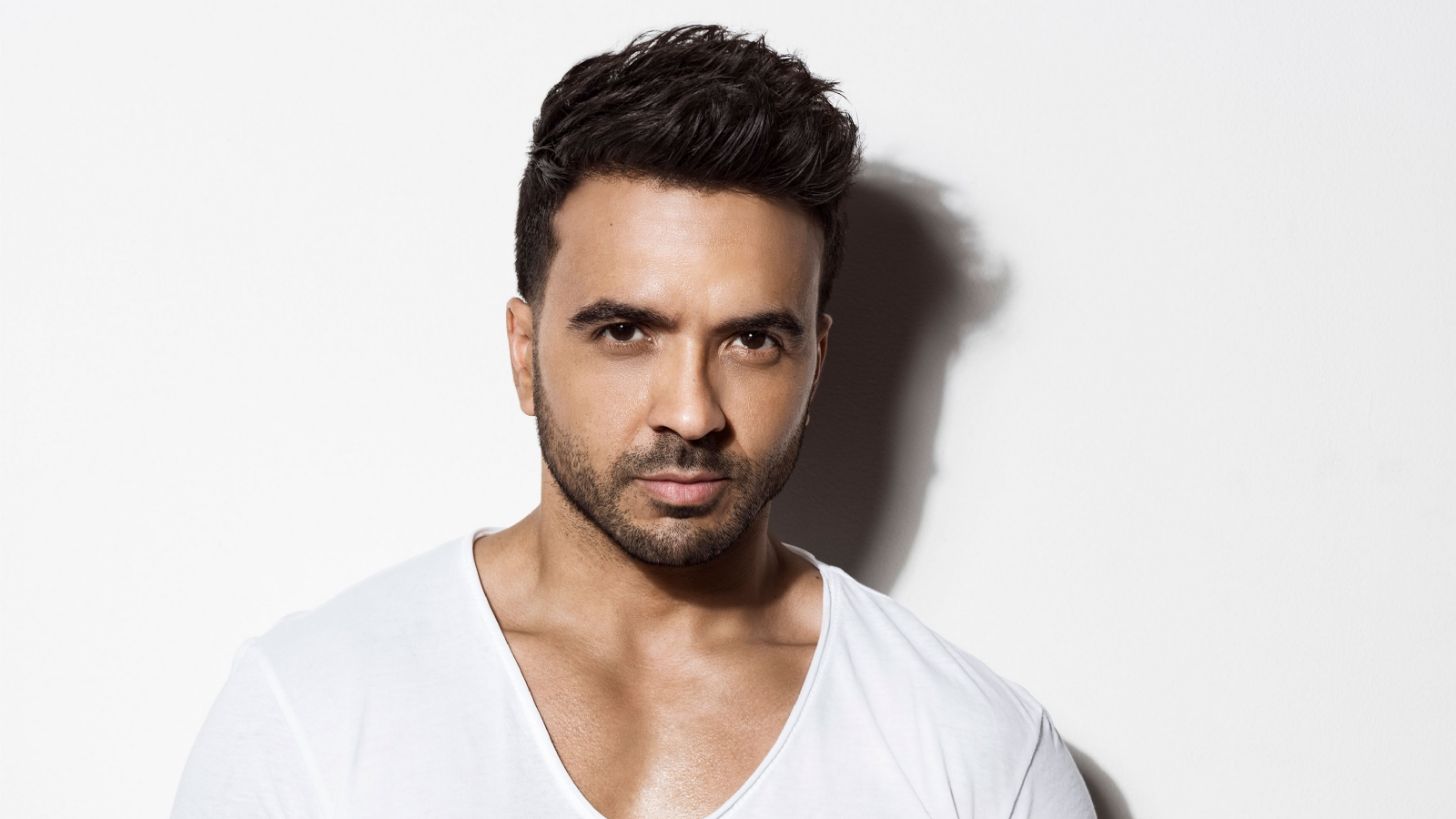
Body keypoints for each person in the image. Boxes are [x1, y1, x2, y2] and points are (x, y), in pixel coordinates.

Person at [171, 24, 1095, 819]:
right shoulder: (314, 710)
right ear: (525, 351)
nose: (691, 411)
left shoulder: (974, 751)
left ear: (815, 361)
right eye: (625, 332)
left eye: (752, 341)